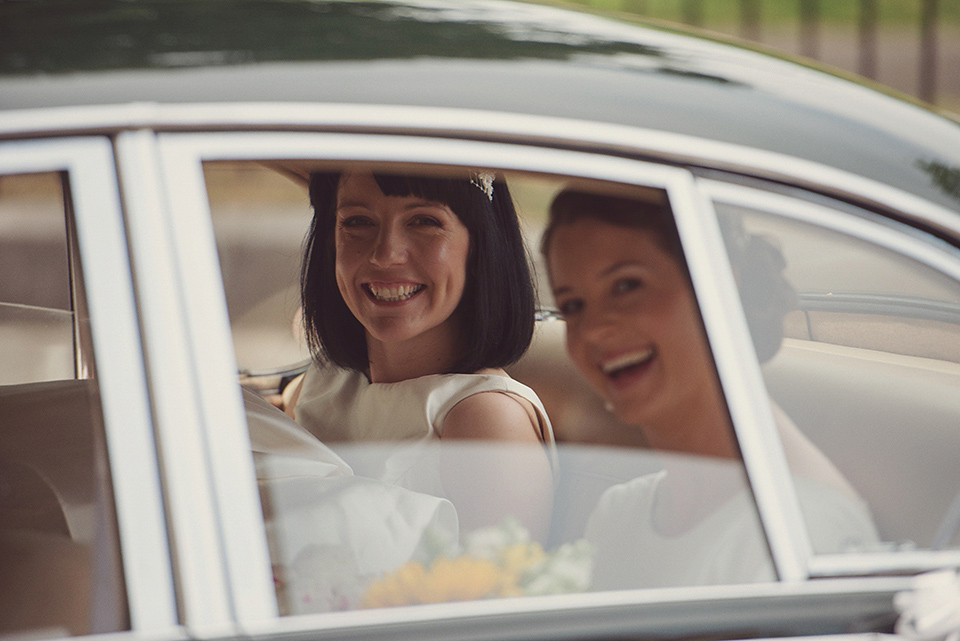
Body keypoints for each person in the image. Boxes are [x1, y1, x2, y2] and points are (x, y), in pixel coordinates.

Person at [540, 187, 878, 589]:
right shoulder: (619, 512)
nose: (594, 329)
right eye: (574, 305)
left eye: (627, 286)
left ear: (717, 282)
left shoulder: (797, 536)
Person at [287, 169, 555, 537]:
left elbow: (502, 589)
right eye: (358, 222)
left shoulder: (485, 419)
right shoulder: (325, 381)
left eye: (424, 221)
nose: (385, 255)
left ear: (480, 245)